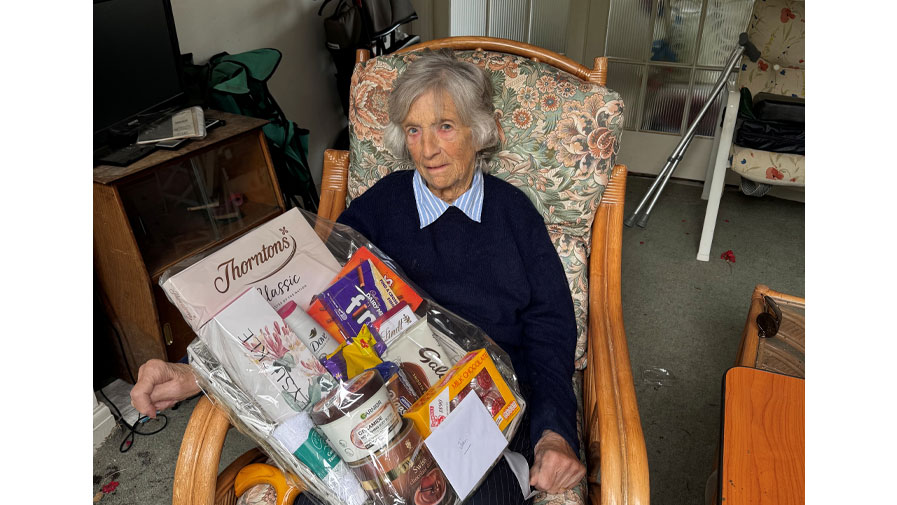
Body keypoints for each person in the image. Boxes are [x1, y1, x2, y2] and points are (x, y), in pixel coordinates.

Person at [132, 49, 585, 501]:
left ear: (479, 130)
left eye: (444, 126)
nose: (427, 150)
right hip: (375, 412)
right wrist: (197, 373)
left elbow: (551, 330)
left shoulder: (514, 215)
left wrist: (554, 432)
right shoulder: (377, 209)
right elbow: (294, 308)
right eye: (414, 129)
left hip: (480, 415)